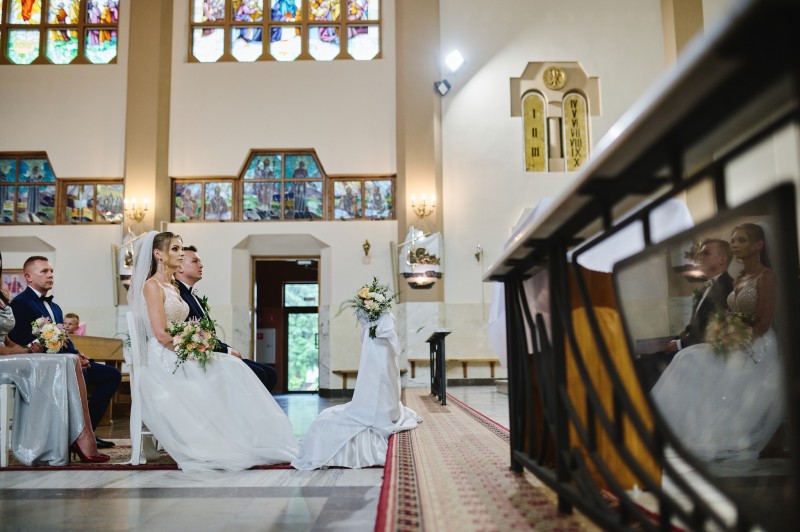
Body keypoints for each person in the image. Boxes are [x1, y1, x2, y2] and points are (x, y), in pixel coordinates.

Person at [129, 231, 298, 471]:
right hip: (165, 357)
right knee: (228, 368)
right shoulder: (152, 286)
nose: (180, 254)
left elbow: (184, 327)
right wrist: (190, 348)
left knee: (233, 366)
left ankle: (248, 434)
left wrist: (197, 343)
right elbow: (161, 334)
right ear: (158, 254)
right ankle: (231, 436)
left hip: (180, 351)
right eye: (175, 249)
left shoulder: (173, 287)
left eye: (181, 248)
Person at [651, 223, 783, 461]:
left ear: (758, 245)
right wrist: (724, 331)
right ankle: (670, 429)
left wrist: (735, 339)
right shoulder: (740, 279)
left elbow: (763, 323)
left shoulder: (767, 276)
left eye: (742, 240)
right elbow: (729, 315)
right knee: (687, 357)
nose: (735, 245)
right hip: (736, 340)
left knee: (689, 357)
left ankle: (705, 433)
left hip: (757, 345)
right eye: (733, 240)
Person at [292, 289, 421, 470]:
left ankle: (382, 410)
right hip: (377, 355)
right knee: (376, 383)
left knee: (383, 383)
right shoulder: (376, 330)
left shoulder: (378, 329)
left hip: (381, 355)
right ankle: (379, 410)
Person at [1, 251, 109, 463]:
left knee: (82, 366)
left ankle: (80, 433)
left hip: (26, 354)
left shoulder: (5, 297)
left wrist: (77, 354)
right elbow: (20, 339)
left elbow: (8, 339)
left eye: (51, 271)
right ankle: (73, 436)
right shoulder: (21, 303)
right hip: (12, 358)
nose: (50, 274)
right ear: (28, 277)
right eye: (44, 271)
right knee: (68, 365)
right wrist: (23, 350)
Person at [175, 245, 277, 392]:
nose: (201, 265)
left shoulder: (193, 296)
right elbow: (194, 336)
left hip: (213, 351)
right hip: (200, 357)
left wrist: (228, 349)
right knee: (261, 375)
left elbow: (208, 334)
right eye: (195, 261)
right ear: (180, 267)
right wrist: (227, 351)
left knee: (270, 373)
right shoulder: (179, 295)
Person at [636, 239, 734, 391]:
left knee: (645, 369)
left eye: (706, 253)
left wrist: (679, 344)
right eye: (700, 253)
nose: (700, 257)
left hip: (704, 354)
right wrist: (676, 340)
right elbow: (692, 327)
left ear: (722, 259)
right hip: (691, 346)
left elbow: (712, 331)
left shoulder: (727, 287)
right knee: (641, 362)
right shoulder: (705, 288)